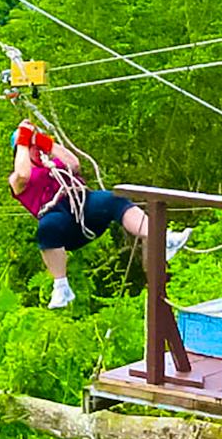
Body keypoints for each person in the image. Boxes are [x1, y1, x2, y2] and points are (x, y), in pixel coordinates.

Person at [10, 121, 187, 308]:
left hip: (84, 204)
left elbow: (74, 164)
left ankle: (162, 238)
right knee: (47, 229)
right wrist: (23, 139)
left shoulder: (55, 164)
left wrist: (45, 142)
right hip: (60, 221)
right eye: (32, 148)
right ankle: (61, 286)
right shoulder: (16, 179)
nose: (36, 151)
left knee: (114, 199)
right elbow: (23, 174)